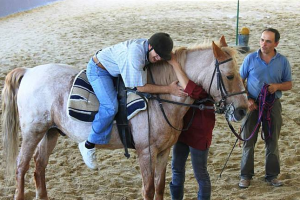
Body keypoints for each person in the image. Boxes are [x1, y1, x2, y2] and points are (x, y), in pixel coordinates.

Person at [79, 33, 186, 170]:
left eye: (162, 56)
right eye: (157, 54)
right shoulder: (135, 54)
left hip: (115, 67)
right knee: (110, 107)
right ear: (150, 46)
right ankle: (88, 144)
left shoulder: (149, 49)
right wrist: (169, 89)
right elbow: (139, 87)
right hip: (99, 70)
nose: (158, 59)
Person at [238, 28, 292, 188]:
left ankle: (272, 175)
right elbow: (240, 81)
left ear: (276, 43)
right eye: (262, 39)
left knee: (272, 141)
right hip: (252, 105)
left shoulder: (283, 61)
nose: (264, 44)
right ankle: (245, 175)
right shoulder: (250, 59)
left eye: (268, 41)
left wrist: (277, 86)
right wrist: (247, 99)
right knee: (248, 140)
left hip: (272, 104)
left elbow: (289, 84)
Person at [168, 54, 216, 200]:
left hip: (200, 132)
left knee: (200, 173)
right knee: (176, 168)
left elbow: (192, 90)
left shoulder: (211, 82)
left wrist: (174, 64)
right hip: (183, 130)